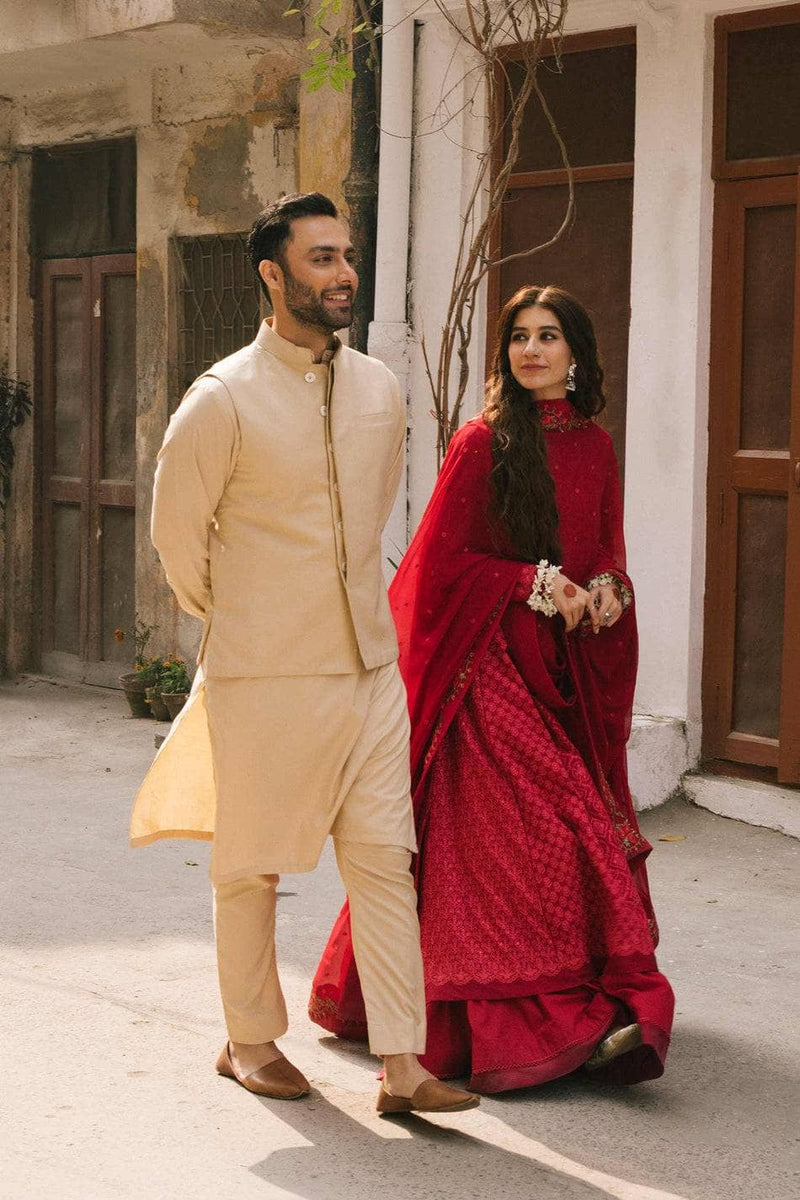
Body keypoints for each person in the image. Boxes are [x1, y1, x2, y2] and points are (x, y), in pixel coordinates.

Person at [130, 192, 479, 1115]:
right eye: (322, 258)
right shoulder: (221, 399)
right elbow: (177, 537)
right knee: (252, 863)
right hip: (265, 669)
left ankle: (402, 1063)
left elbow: (373, 510)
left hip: (369, 666)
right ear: (272, 275)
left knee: (385, 858)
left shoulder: (379, 390)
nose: (344, 274)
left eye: (347, 256)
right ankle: (249, 1040)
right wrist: (243, 619)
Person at [310, 284, 675, 1092]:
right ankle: (536, 1021)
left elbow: (606, 550)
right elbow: (445, 563)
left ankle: (584, 1003)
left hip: (562, 669)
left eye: (549, 336)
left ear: (576, 354)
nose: (532, 350)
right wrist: (535, 584)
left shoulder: (595, 447)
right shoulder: (483, 442)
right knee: (532, 834)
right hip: (485, 668)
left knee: (575, 831)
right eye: (519, 337)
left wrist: (608, 591)